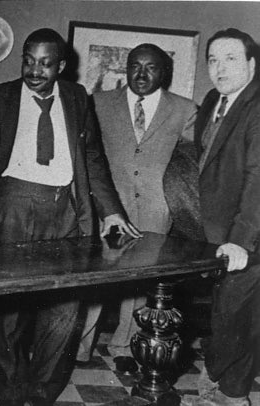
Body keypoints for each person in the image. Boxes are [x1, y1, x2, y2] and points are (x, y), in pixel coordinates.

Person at [0, 28, 141, 406]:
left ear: (62, 66)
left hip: (65, 209)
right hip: (12, 205)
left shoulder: (77, 97)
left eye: (46, 63)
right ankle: (11, 388)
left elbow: (92, 159)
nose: (35, 71)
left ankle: (41, 394)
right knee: (9, 310)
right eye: (29, 61)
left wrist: (112, 211)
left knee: (66, 307)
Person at [77, 43, 197, 364]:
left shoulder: (185, 110)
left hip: (158, 210)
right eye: (135, 66)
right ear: (126, 69)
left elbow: (190, 166)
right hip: (108, 207)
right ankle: (79, 348)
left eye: (151, 67)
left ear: (164, 72)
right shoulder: (98, 104)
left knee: (143, 281)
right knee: (97, 277)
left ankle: (125, 347)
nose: (141, 74)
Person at [180, 28, 260, 406]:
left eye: (230, 58)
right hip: (214, 232)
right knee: (230, 314)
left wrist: (241, 241)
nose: (219, 67)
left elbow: (258, 178)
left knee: (235, 316)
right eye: (212, 59)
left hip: (248, 233)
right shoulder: (214, 98)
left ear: (251, 64)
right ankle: (224, 387)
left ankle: (229, 393)